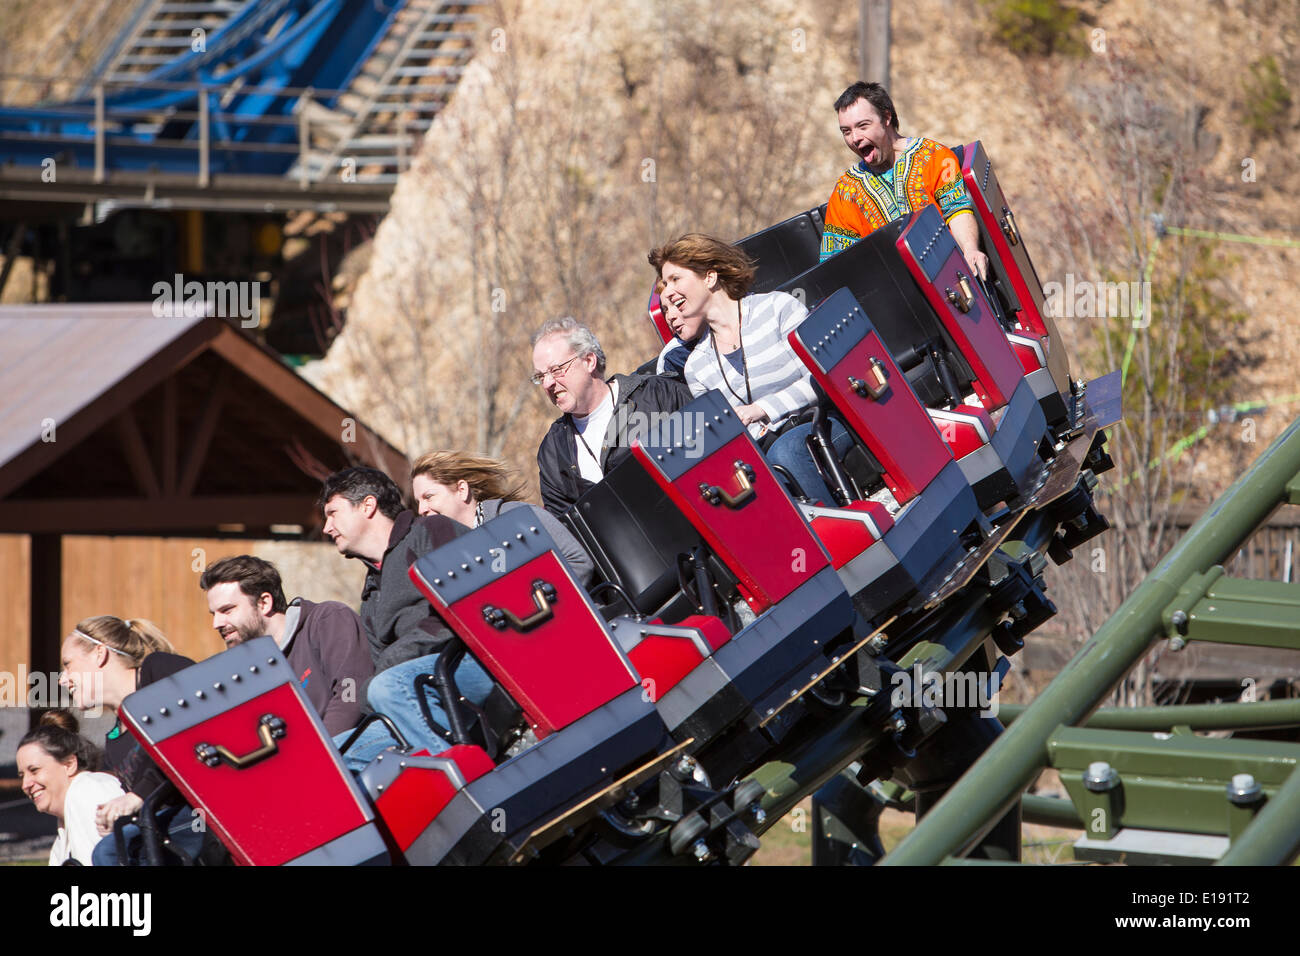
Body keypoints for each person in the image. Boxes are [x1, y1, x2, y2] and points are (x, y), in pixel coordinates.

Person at [649, 233, 854, 506]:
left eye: (676, 279)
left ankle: (839, 538)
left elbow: (821, 377)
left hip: (821, 421)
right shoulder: (697, 366)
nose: (669, 290)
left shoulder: (776, 308)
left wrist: (760, 410)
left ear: (709, 278)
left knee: (787, 453)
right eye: (666, 282)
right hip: (763, 448)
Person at [319, 466, 484, 771]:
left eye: (333, 513)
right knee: (335, 756)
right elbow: (378, 663)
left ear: (368, 506)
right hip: (418, 688)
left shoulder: (428, 532)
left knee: (386, 687)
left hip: (478, 661)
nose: (327, 528)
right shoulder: (371, 594)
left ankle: (464, 783)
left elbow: (462, 605)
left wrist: (386, 674)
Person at [55, 615, 204, 866]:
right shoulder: (114, 740)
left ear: (99, 654)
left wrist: (138, 796)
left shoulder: (158, 670)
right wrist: (113, 816)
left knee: (110, 852)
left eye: (68, 664)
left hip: (204, 814)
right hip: (164, 831)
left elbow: (193, 729)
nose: (62, 679)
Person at [819, 81, 986, 278]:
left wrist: (970, 249)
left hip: (950, 278)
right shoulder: (845, 192)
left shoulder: (933, 155)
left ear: (886, 117)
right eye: (846, 131)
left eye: (863, 126)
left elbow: (957, 209)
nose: (854, 138)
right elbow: (836, 264)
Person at [533, 316, 693, 516]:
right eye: (540, 377)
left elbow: (712, 458)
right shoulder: (553, 452)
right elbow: (569, 532)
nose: (547, 383)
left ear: (589, 361)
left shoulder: (657, 396)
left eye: (556, 370)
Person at [199, 555, 373, 736]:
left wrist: (319, 756)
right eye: (214, 614)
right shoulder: (246, 671)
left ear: (264, 603)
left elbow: (351, 694)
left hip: (357, 751)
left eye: (227, 610)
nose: (216, 623)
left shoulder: (327, 620)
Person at [410, 451, 594, 586]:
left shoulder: (517, 516)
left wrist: (532, 602)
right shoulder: (449, 559)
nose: (421, 510)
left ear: (461, 490)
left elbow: (578, 562)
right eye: (418, 501)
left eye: (428, 497)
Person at [16, 710, 125, 865]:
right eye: (22, 776)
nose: (25, 785)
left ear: (69, 764)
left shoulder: (89, 791)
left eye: (34, 770)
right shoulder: (65, 825)